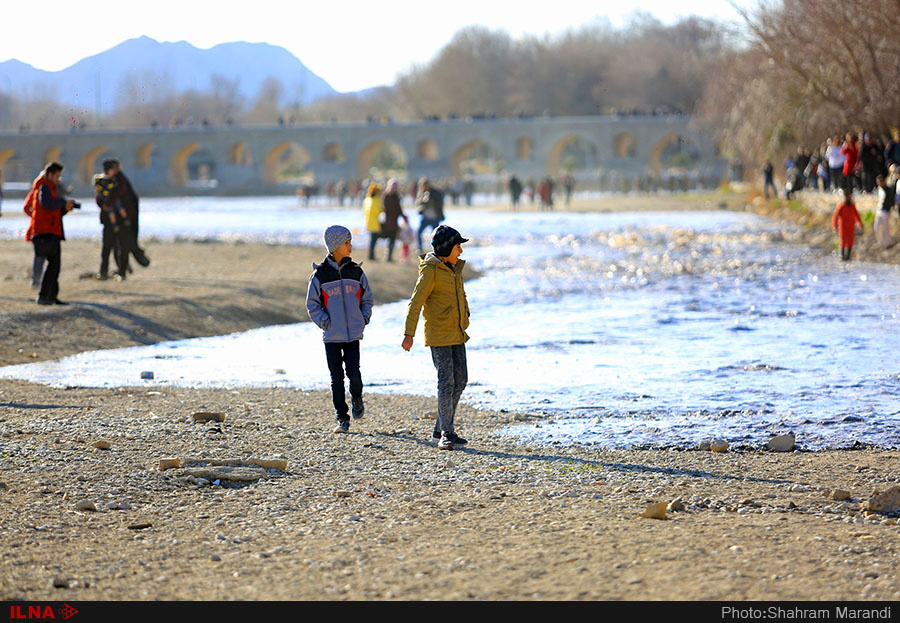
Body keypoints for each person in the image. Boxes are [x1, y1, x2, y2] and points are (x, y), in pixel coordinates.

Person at [401, 225, 471, 451]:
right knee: (446, 382)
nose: (460, 251)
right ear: (447, 248)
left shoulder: (454, 269)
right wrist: (408, 334)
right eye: (458, 246)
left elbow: (461, 296)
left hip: (457, 333)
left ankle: (439, 428)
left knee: (461, 380)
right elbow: (415, 302)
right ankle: (446, 434)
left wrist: (466, 316)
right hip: (439, 336)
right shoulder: (430, 270)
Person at [306, 226, 374, 434]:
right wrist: (324, 322)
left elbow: (367, 298)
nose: (351, 246)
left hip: (353, 335)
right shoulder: (320, 275)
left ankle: (357, 398)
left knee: (354, 374)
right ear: (335, 246)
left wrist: (363, 318)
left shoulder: (356, 272)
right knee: (336, 378)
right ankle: (342, 418)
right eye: (347, 243)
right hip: (331, 336)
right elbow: (312, 304)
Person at [27, 162, 76, 305]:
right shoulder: (44, 187)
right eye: (57, 176)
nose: (59, 179)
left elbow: (54, 211)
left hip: (51, 231)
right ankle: (44, 296)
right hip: (45, 233)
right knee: (53, 266)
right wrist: (62, 202)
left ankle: (51, 296)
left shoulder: (50, 188)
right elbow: (47, 204)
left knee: (54, 266)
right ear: (50, 174)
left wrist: (65, 208)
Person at [99, 159, 149, 277]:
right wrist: (106, 205)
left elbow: (121, 194)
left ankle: (122, 271)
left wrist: (108, 204)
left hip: (123, 220)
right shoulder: (104, 181)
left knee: (123, 246)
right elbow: (100, 198)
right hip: (111, 219)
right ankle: (104, 272)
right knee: (109, 246)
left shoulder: (120, 180)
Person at [377, 178, 408, 262]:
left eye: (395, 186)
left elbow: (398, 208)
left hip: (394, 222)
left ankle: (389, 256)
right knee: (385, 238)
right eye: (393, 186)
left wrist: (403, 216)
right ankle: (385, 255)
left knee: (392, 239)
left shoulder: (396, 196)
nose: (394, 188)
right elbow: (382, 208)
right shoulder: (385, 196)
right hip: (386, 221)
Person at [832, 188, 864, 261]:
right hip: (843, 227)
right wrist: (834, 226)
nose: (849, 197)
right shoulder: (841, 206)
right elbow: (835, 216)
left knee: (850, 241)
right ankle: (843, 257)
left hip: (851, 226)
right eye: (848, 196)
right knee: (843, 242)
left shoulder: (852, 205)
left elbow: (856, 215)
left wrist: (860, 223)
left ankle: (848, 257)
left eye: (850, 196)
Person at [415, 177, 445, 253]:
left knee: (436, 235)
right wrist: (423, 202)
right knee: (418, 232)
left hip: (435, 217)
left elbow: (440, 203)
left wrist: (433, 202)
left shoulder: (436, 192)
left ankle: (436, 250)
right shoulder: (421, 193)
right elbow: (418, 203)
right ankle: (419, 248)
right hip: (425, 217)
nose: (425, 187)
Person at [362, 182, 383, 261]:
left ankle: (371, 254)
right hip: (375, 222)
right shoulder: (377, 200)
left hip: (368, 222)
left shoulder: (367, 199)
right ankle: (371, 255)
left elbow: (364, 210)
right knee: (374, 240)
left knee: (372, 239)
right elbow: (379, 210)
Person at [874, 175, 895, 249]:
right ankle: (881, 243)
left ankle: (887, 243)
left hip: (885, 211)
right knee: (876, 227)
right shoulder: (880, 189)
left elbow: (891, 200)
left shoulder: (888, 190)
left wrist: (888, 208)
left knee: (886, 228)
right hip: (879, 210)